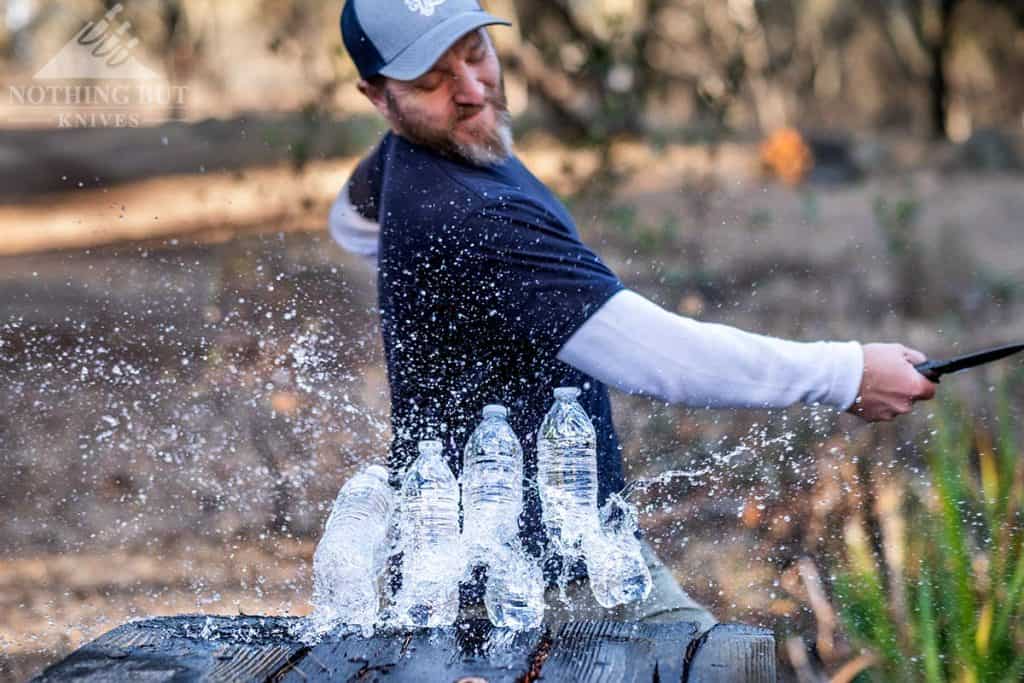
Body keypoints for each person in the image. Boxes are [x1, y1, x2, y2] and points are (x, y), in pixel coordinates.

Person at [329, 0, 936, 628]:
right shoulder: (470, 215)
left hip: (539, 554)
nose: (473, 89)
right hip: (521, 591)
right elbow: (659, 358)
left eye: (477, 52)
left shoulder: (417, 154)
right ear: (377, 97)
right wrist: (848, 374)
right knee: (718, 667)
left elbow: (349, 220)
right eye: (431, 81)